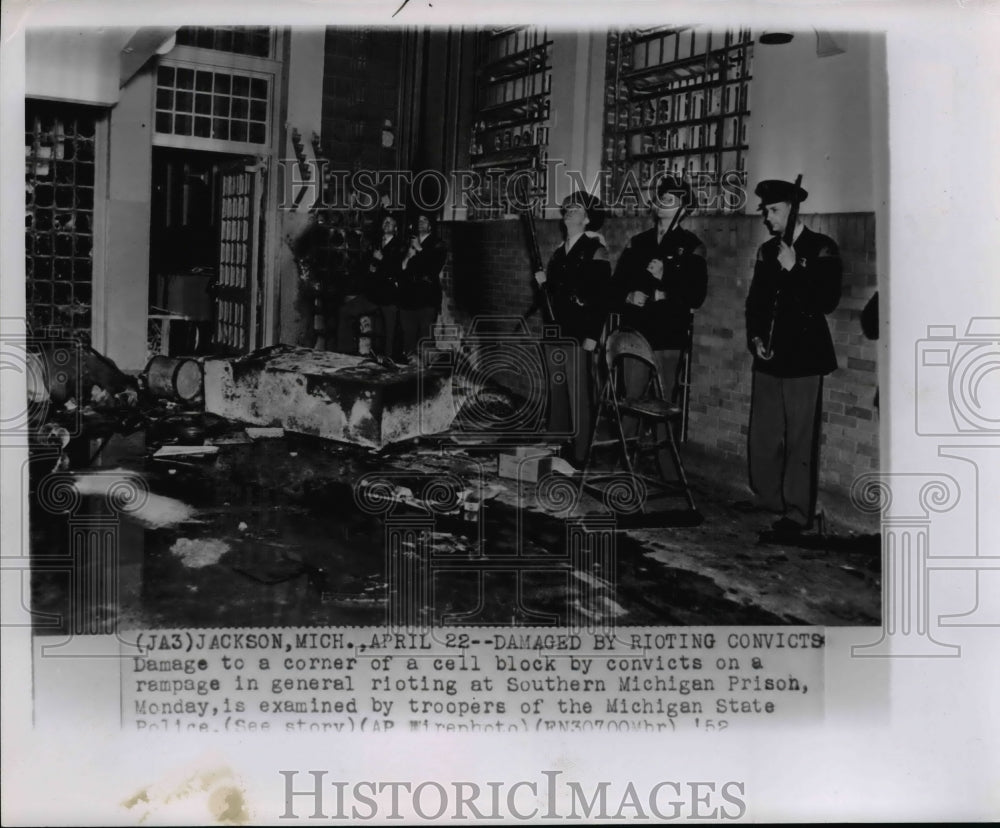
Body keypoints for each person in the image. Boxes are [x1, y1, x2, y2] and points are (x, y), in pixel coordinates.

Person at [745, 178, 842, 533]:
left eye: (773, 211)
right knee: (765, 434)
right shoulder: (767, 251)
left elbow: (827, 301)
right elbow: (756, 301)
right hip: (769, 355)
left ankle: (799, 512)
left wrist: (796, 268)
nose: (767, 218)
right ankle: (770, 498)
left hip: (805, 357)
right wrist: (755, 336)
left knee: (801, 438)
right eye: (765, 211)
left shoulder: (821, 248)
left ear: (792, 209)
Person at [613, 174, 708, 472]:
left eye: (671, 199)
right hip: (637, 336)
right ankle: (625, 463)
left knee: (666, 402)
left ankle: (669, 468)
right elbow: (615, 287)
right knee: (632, 400)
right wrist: (629, 297)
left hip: (668, 336)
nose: (661, 203)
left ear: (683, 207)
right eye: (660, 197)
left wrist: (665, 280)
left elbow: (696, 295)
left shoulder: (691, 246)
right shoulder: (637, 243)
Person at [533, 191, 612, 466]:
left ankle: (580, 454)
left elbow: (601, 297)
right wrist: (543, 284)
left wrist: (592, 335)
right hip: (555, 330)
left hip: (579, 332)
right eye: (567, 208)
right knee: (557, 390)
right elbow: (554, 295)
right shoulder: (558, 252)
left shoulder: (596, 251)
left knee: (579, 395)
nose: (569, 212)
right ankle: (556, 443)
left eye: (576, 209)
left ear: (587, 219)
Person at [336, 214, 404, 356]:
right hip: (371, 295)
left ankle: (389, 362)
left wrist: (381, 260)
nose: (387, 223)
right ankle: (345, 352)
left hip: (389, 297)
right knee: (345, 312)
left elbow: (398, 271)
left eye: (390, 222)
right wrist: (370, 267)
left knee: (390, 333)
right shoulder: (375, 244)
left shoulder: (400, 246)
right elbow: (363, 266)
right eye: (385, 221)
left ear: (396, 228)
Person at [398, 213, 447, 358]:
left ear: (430, 225)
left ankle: (427, 377)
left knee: (426, 341)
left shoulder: (438, 244)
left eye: (424, 220)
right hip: (408, 299)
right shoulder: (408, 243)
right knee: (409, 340)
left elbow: (433, 269)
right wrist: (407, 257)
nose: (421, 223)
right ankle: (409, 373)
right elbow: (401, 269)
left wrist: (420, 250)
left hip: (427, 299)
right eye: (418, 220)